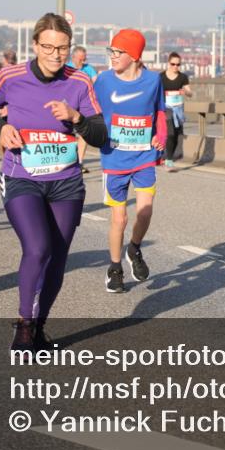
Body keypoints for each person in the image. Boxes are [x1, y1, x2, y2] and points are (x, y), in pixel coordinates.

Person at [0, 12, 107, 351]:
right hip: (22, 177)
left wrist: (76, 118)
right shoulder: (11, 76)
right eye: (48, 47)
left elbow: (100, 134)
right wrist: (2, 128)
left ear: (70, 48)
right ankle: (24, 325)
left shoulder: (79, 82)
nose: (55, 54)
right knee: (37, 248)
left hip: (66, 183)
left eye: (62, 48)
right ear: (35, 45)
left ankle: (39, 326)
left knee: (58, 259)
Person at [93, 30, 166, 293]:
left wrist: (161, 137)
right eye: (110, 51)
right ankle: (114, 268)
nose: (112, 57)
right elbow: (88, 109)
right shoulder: (102, 81)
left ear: (134, 55)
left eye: (117, 52)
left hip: (145, 156)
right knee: (119, 219)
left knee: (145, 210)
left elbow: (159, 111)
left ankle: (134, 248)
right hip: (114, 160)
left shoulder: (153, 81)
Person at [67, 46, 98, 174]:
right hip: (68, 105)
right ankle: (67, 162)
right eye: (80, 59)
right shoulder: (66, 68)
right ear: (73, 57)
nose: (83, 62)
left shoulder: (88, 69)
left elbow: (96, 83)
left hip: (84, 106)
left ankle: (79, 162)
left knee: (84, 134)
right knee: (68, 135)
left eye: (84, 59)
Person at [161, 51, 192, 172]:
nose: (175, 67)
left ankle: (168, 158)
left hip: (178, 109)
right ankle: (168, 161)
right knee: (170, 133)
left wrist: (185, 92)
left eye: (178, 65)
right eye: (173, 64)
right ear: (168, 63)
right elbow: (156, 92)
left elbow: (190, 92)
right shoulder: (161, 77)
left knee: (176, 135)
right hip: (166, 108)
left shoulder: (183, 77)